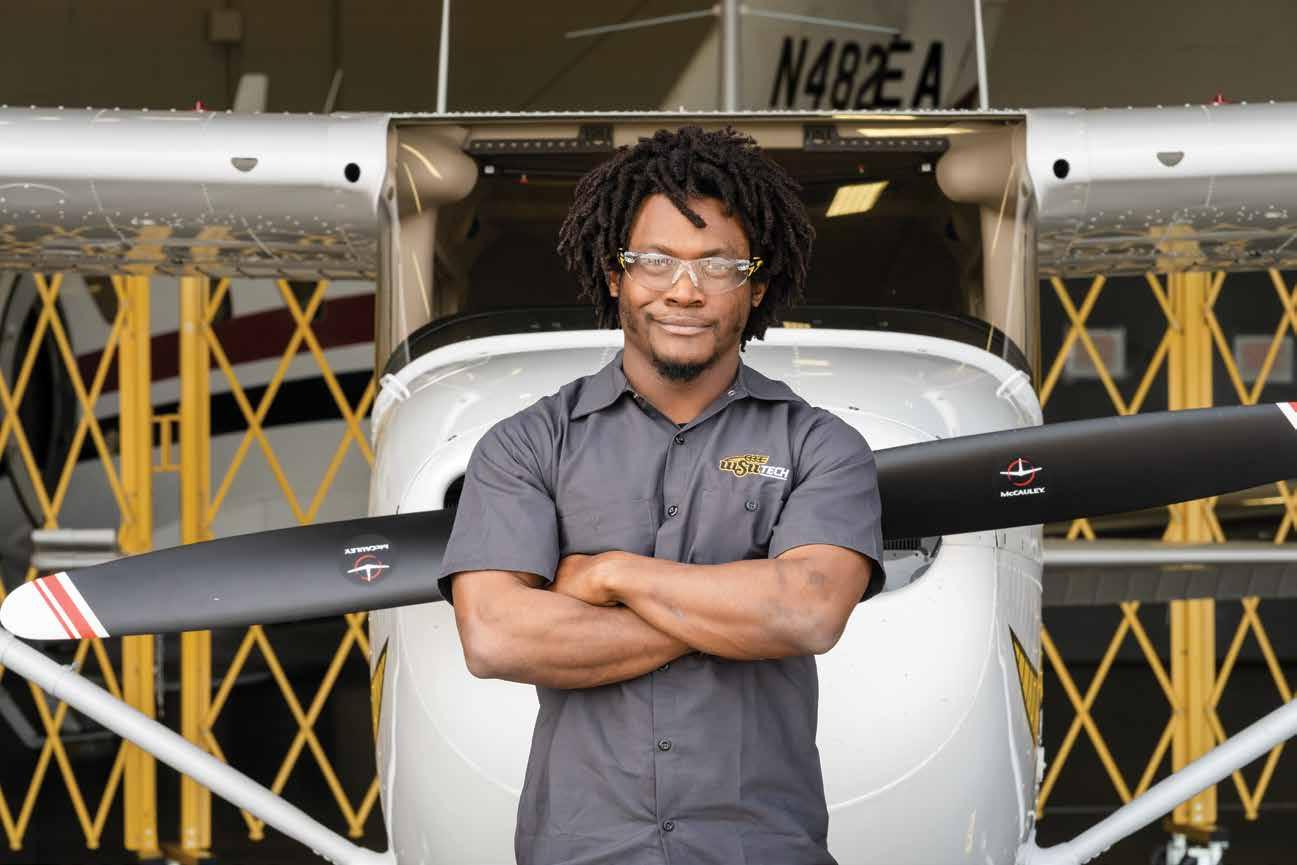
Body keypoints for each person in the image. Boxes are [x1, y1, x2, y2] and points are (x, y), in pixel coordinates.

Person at [438, 126, 884, 865]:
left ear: (756, 287)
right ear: (616, 275)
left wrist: (611, 575)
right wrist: (740, 612)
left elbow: (806, 612)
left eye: (718, 265)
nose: (684, 290)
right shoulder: (526, 445)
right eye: (654, 260)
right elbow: (494, 636)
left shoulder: (822, 446)